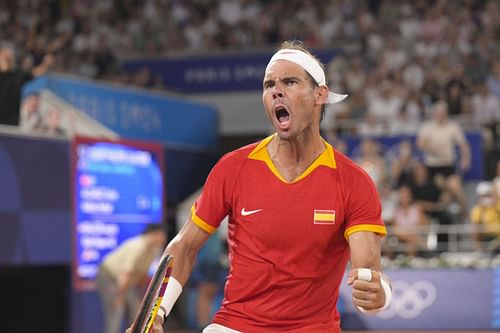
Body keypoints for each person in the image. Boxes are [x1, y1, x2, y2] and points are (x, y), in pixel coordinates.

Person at [134, 41, 391, 333]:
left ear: (320, 95)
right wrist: (156, 311)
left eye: (290, 82)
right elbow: (184, 246)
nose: (276, 91)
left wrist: (379, 293)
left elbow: (369, 271)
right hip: (235, 327)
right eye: (269, 85)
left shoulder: (353, 181)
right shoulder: (233, 167)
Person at [97, 223, 166, 333]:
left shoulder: (153, 250)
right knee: (116, 310)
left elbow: (143, 276)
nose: (163, 238)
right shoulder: (137, 246)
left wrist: (143, 298)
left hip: (126, 282)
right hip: (109, 276)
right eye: (161, 235)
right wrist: (119, 297)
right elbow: (125, 274)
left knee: (137, 310)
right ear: (153, 234)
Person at [0, 45, 54, 126]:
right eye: (4, 57)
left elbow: (35, 72)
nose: (6, 59)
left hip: (10, 121)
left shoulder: (17, 74)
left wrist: (46, 64)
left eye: (8, 58)